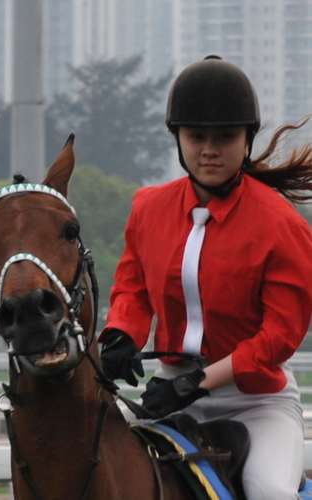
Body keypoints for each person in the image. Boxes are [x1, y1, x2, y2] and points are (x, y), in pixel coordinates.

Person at [100, 55, 312, 500]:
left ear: (247, 139)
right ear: (178, 138)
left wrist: (197, 383)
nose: (209, 150)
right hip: (167, 395)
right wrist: (120, 335)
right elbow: (133, 291)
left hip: (255, 403)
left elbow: (279, 337)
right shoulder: (148, 208)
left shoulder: (281, 225)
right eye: (197, 136)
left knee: (269, 490)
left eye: (224, 137)